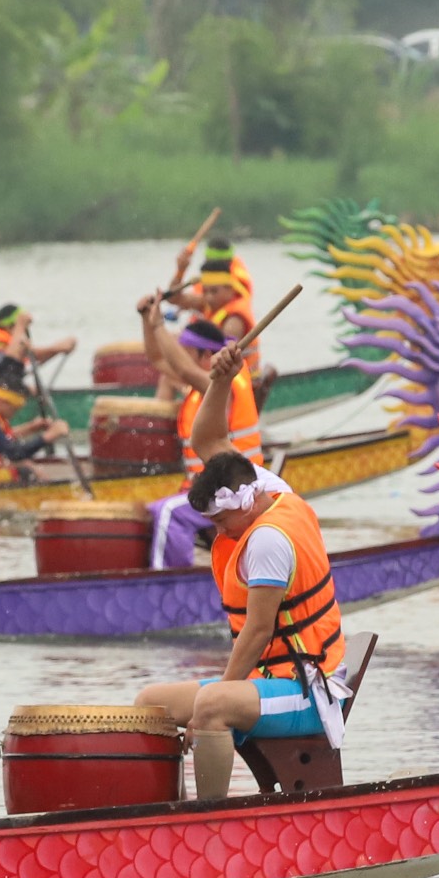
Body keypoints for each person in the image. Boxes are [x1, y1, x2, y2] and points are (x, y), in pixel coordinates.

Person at [133, 341, 347, 801]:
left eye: (220, 522)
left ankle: (211, 819)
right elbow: (206, 441)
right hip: (272, 681)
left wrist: (219, 697)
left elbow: (255, 633)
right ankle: (163, 811)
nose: (216, 533)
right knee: (151, 703)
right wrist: (220, 380)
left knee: (212, 704)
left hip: (307, 688)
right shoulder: (264, 486)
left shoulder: (268, 540)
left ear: (245, 502)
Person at [139, 291, 263, 471]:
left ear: (206, 355)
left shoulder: (225, 382)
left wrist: (158, 324)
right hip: (206, 483)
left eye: (184, 353)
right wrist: (146, 317)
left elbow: (185, 370)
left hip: (236, 483)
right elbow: (157, 358)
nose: (178, 358)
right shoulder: (204, 381)